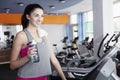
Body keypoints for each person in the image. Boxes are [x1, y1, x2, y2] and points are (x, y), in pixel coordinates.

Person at [10, 4, 67, 80]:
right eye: (36, 15)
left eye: (42, 16)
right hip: (26, 78)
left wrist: (64, 78)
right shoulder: (21, 36)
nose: (40, 19)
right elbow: (12, 65)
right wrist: (27, 57)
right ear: (28, 17)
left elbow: (53, 59)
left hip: (43, 77)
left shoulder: (43, 34)